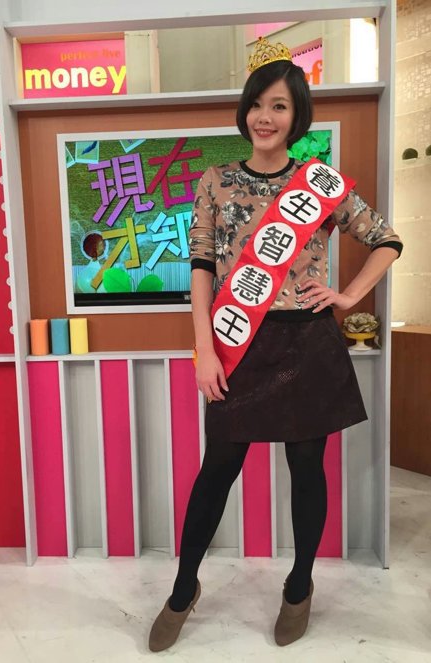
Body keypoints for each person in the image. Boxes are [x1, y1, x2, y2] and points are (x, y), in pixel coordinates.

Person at [148, 37, 403, 653]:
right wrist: (204, 348)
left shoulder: (321, 184)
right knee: (217, 470)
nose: (266, 116)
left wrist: (347, 295)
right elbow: (201, 267)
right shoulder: (215, 181)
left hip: (307, 342)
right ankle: (183, 588)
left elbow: (387, 240)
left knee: (306, 469)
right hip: (237, 342)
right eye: (258, 104)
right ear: (245, 111)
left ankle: (299, 585)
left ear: (297, 116)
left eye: (280, 106)